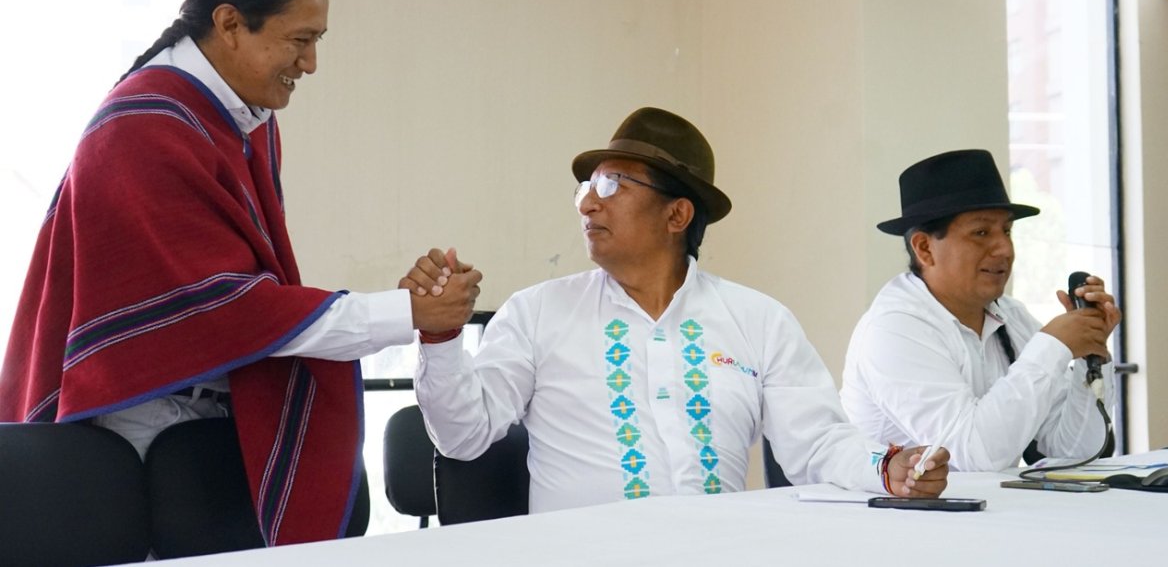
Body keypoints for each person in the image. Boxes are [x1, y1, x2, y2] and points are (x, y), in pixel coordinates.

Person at [0, 0, 480, 545]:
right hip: (136, 435)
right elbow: (221, 308)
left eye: (318, 42)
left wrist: (405, 312)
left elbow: (246, 299)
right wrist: (405, 313)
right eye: (300, 41)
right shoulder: (142, 127)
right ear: (230, 24)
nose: (310, 64)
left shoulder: (246, 120)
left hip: (209, 415)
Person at [407, 107, 948, 513]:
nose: (589, 203)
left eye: (612, 185)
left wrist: (887, 468)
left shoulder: (758, 320)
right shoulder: (537, 314)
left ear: (678, 214)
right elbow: (463, 436)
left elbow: (817, 445)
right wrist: (441, 338)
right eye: (587, 188)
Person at [841, 149, 1120, 472]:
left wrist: (1089, 353)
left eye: (1007, 231)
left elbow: (1072, 450)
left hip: (986, 514)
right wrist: (1053, 346)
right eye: (981, 233)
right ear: (925, 248)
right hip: (893, 518)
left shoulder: (1010, 316)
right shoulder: (894, 329)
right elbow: (972, 457)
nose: (1004, 248)